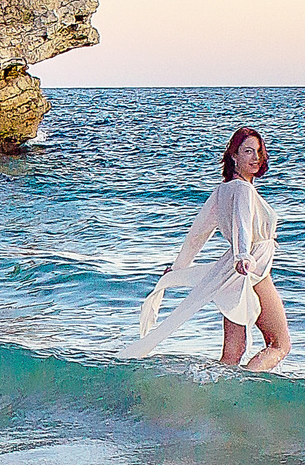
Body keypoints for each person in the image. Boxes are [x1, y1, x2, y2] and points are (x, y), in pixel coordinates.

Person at [120, 126, 290, 371]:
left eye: (259, 152)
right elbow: (242, 224)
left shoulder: (221, 191)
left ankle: (218, 392)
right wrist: (243, 255)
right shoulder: (243, 189)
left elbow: (196, 235)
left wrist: (178, 268)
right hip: (252, 268)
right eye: (248, 151)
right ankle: (244, 391)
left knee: (232, 354)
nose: (255, 158)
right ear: (234, 155)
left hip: (234, 271)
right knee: (279, 344)